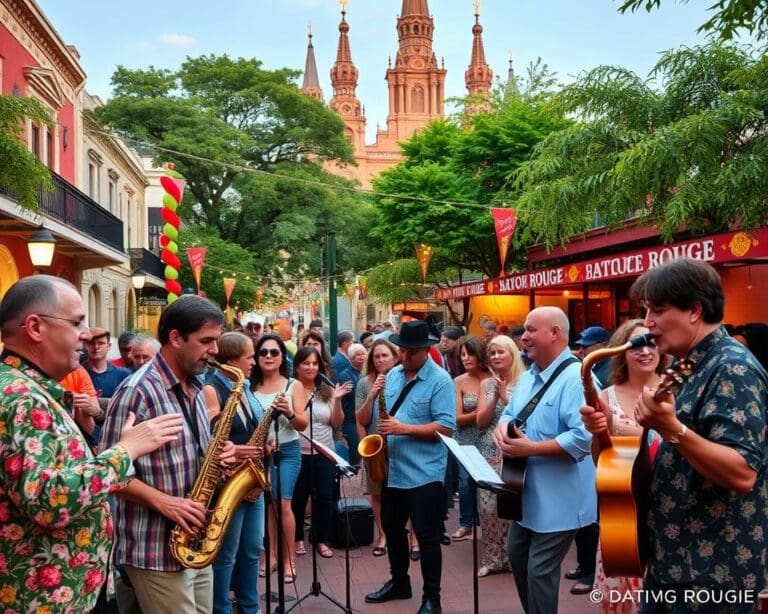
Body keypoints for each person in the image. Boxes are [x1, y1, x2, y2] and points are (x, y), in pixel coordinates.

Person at [581, 258, 768, 613]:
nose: (648, 324)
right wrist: (604, 436)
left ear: (694, 311)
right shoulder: (689, 364)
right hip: (675, 564)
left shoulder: (731, 367)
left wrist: (670, 427)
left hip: (712, 575)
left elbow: (742, 472)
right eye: (646, 310)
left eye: (658, 310)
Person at [0, 275, 183, 613]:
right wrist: (126, 450)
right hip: (46, 599)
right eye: (76, 323)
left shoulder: (26, 390)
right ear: (35, 328)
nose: (85, 335)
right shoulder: (21, 398)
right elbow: (48, 500)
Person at [100, 295, 236, 614]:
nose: (215, 350)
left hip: (195, 541)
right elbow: (108, 472)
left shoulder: (194, 385)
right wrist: (166, 502)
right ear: (175, 338)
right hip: (155, 550)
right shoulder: (137, 391)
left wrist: (217, 459)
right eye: (207, 341)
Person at [493, 306, 596, 614]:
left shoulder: (577, 380)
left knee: (539, 571)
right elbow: (511, 412)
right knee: (518, 556)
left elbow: (584, 439)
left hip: (561, 501)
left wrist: (531, 449)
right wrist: (502, 427)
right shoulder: (529, 376)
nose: (523, 337)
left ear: (555, 333)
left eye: (530, 330)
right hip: (525, 495)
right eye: (524, 330)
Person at [365, 320, 455, 614]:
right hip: (393, 470)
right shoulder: (392, 375)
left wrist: (403, 428)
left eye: (410, 352)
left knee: (427, 537)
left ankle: (433, 598)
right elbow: (381, 415)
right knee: (392, 528)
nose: (403, 357)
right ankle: (400, 583)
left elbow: (446, 428)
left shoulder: (441, 381)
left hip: (424, 473)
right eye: (401, 350)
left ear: (425, 350)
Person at [586, 319, 667, 613]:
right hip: (622, 512)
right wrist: (602, 429)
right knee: (621, 598)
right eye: (636, 345)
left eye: (651, 342)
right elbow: (599, 458)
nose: (645, 350)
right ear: (621, 351)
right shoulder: (606, 396)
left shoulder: (677, 390)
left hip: (667, 509)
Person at [202, 332, 269, 614]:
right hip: (228, 481)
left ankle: (249, 607)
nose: (254, 362)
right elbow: (213, 435)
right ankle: (221, 609)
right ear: (231, 360)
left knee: (252, 550)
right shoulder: (212, 387)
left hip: (248, 481)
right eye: (250, 357)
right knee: (225, 555)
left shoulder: (242, 386)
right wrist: (243, 451)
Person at [290, 346, 351, 562]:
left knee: (325, 496)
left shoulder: (325, 389)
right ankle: (297, 537)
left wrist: (337, 400)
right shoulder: (291, 388)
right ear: (297, 366)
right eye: (306, 363)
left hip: (325, 451)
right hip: (297, 452)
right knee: (298, 497)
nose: (311, 367)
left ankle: (321, 539)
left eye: (315, 363)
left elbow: (336, 423)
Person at [250, 334, 301, 582]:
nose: (268, 356)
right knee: (267, 505)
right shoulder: (251, 386)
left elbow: (302, 424)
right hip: (259, 453)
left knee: (283, 503)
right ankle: (270, 556)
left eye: (274, 352)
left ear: (282, 356)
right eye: (263, 352)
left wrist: (289, 412)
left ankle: (289, 559)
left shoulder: (293, 385)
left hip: (287, 450)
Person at [475, 335, 525, 577]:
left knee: (512, 507)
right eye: (492, 353)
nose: (495, 357)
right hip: (488, 449)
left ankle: (513, 558)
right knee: (487, 509)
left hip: (514, 450)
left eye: (500, 352)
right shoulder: (486, 384)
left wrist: (506, 396)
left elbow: (524, 421)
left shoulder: (526, 381)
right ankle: (493, 559)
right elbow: (481, 421)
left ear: (512, 354)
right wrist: (494, 395)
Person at [355, 337, 399, 556]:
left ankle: (411, 538)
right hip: (376, 444)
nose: (381, 360)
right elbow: (361, 419)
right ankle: (383, 535)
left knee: (402, 493)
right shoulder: (364, 383)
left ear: (395, 357)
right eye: (377, 356)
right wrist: (372, 395)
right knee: (377, 493)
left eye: (385, 355)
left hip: (399, 443)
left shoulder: (403, 379)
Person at [451, 335, 491, 541]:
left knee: (489, 483)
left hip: (490, 437)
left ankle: (488, 522)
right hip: (466, 438)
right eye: (462, 354)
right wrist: (483, 411)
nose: (465, 358)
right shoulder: (459, 381)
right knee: (466, 482)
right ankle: (466, 522)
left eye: (469, 353)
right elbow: (457, 418)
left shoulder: (493, 377)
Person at [338, 342, 367, 466]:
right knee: (356, 451)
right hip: (351, 420)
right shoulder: (345, 375)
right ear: (351, 358)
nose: (361, 357)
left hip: (364, 418)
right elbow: (355, 396)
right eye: (357, 355)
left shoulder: (367, 373)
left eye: (363, 354)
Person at [83, 327, 131, 399]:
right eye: (91, 343)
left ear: (109, 346)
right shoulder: (76, 374)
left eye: (101, 343)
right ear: (86, 345)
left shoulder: (123, 375)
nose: (96, 347)